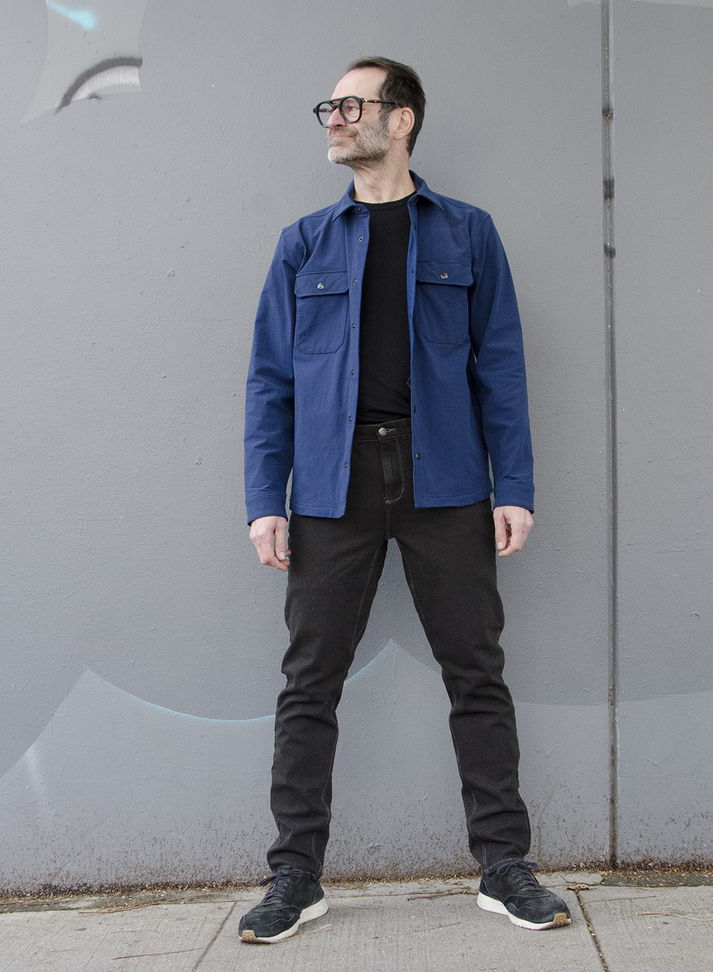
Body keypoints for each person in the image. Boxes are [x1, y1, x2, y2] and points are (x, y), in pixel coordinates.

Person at [240, 56, 568, 944]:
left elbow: (500, 364)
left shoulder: (467, 233)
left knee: (476, 673)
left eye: (351, 105)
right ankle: (295, 874)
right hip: (331, 484)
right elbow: (270, 380)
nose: (334, 118)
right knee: (309, 682)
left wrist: (514, 485)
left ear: (402, 119)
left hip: (445, 477)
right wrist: (265, 497)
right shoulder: (304, 242)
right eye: (330, 106)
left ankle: (503, 866)